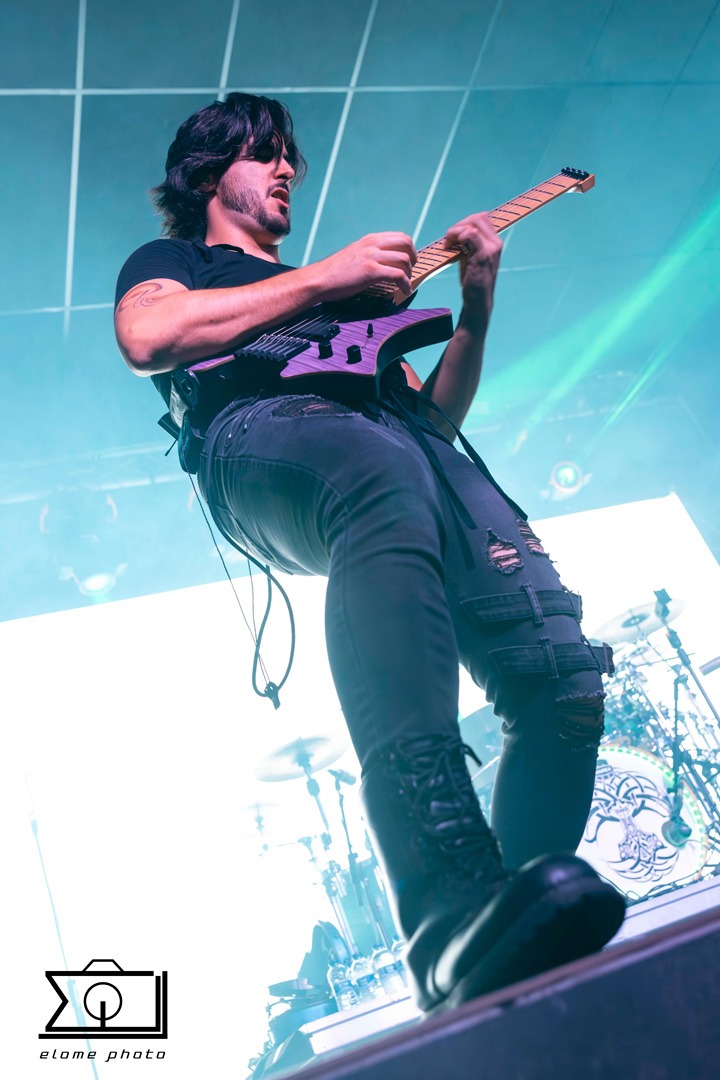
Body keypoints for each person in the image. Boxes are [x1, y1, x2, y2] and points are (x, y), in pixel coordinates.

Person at [115, 93, 625, 1015]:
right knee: (378, 471)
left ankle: (503, 934)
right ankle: (442, 906)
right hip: (263, 435)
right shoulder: (178, 264)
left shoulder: (347, 301)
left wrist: (476, 307)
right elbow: (148, 336)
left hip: (398, 447)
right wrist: (326, 278)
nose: (286, 170)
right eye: (265, 153)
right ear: (208, 174)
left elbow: (432, 418)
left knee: (558, 669)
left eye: (290, 157)